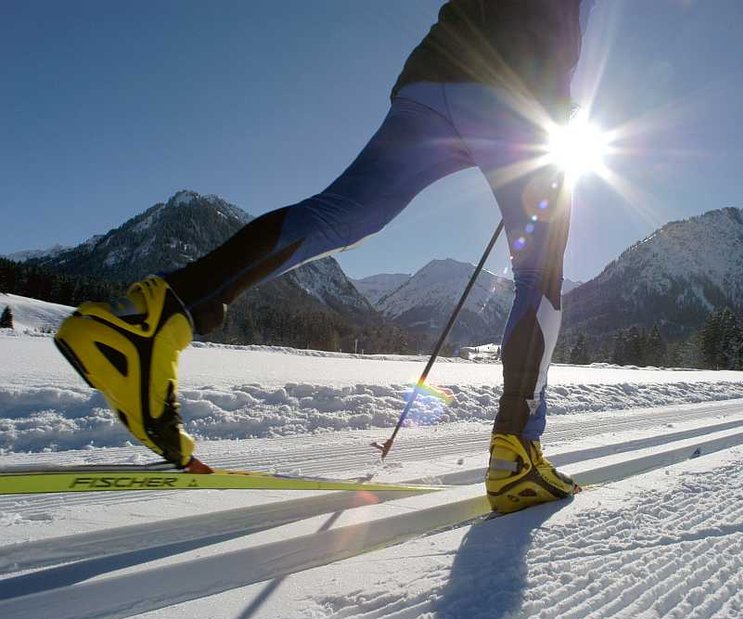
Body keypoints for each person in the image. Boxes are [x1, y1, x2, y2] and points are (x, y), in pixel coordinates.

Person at [55, 0, 593, 514]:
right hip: (520, 92)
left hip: (433, 77)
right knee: (538, 271)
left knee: (344, 215)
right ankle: (517, 452)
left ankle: (157, 316)